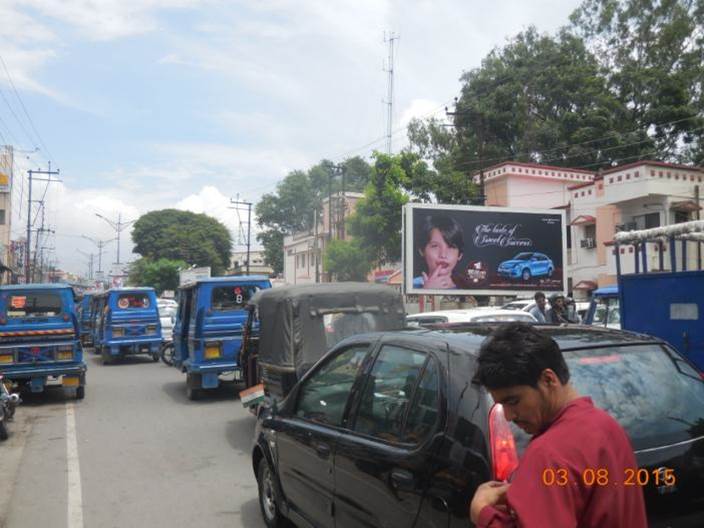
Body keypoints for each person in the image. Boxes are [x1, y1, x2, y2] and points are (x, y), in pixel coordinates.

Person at [469, 323, 647, 528]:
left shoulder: (548, 454)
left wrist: (483, 513)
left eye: (513, 401)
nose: (508, 416)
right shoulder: (607, 426)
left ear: (548, 380)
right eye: (501, 405)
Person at [413, 214, 464, 289]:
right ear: (422, 251)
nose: (443, 255)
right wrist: (426, 291)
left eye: (450, 247)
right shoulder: (411, 285)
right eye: (435, 246)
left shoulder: (468, 288)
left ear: (460, 255)